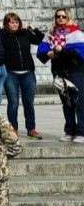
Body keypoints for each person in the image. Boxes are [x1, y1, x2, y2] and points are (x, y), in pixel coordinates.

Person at [37, 8, 84, 142]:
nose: (61, 19)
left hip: (76, 71)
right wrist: (48, 53)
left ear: (69, 18)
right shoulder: (51, 33)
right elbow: (42, 50)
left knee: (79, 101)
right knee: (66, 102)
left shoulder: (77, 33)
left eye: (64, 16)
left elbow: (80, 53)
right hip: (59, 71)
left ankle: (81, 132)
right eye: (58, 16)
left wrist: (62, 50)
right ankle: (69, 131)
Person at [2, 12, 45, 138]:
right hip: (11, 73)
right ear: (6, 24)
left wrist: (32, 28)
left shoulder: (25, 33)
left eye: (16, 22)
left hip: (28, 73)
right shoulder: (2, 35)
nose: (14, 24)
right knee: (13, 102)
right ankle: (13, 129)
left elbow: (40, 39)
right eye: (11, 22)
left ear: (19, 23)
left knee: (28, 102)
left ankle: (31, 128)